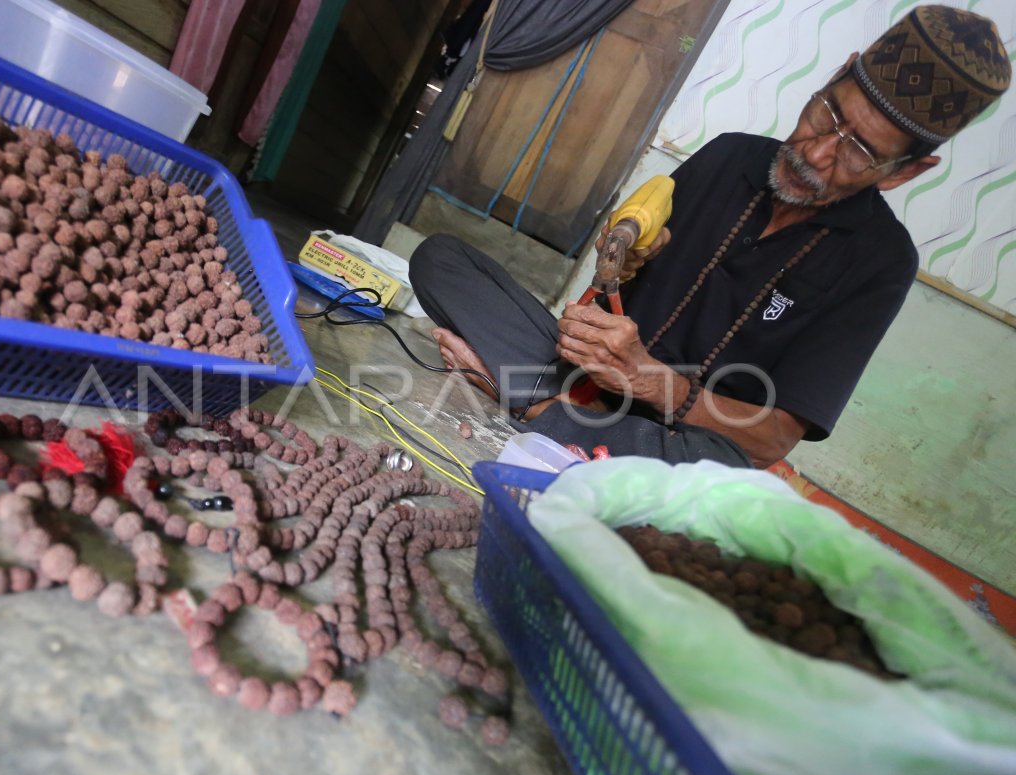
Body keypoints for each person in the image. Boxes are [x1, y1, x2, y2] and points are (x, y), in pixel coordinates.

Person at [409, 4, 1010, 469]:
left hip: (684, 436)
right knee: (442, 258)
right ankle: (551, 412)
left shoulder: (880, 261)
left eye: (859, 152)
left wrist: (649, 379)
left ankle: (532, 407)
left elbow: (774, 438)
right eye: (829, 113)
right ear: (830, 78)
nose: (817, 152)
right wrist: (617, 273)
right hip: (577, 380)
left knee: (724, 467)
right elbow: (614, 285)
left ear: (905, 172)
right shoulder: (729, 157)